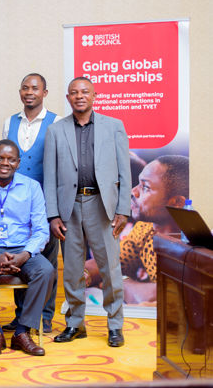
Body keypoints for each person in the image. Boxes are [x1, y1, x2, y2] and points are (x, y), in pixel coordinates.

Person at [44, 77, 131, 348]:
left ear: (94, 96)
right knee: (71, 271)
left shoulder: (113, 126)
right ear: (67, 98)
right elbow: (50, 177)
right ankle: (74, 324)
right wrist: (53, 215)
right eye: (73, 93)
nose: (79, 96)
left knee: (110, 270)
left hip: (101, 206)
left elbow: (124, 171)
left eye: (85, 92)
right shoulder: (56, 131)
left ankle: (115, 326)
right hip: (69, 208)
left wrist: (123, 209)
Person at [0, 140, 53, 357]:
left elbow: (42, 230)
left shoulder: (32, 187)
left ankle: (22, 332)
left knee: (46, 270)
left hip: (23, 247)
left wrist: (24, 255)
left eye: (11, 159)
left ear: (18, 163)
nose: (5, 163)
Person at [85, 155, 189, 304]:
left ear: (177, 202)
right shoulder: (145, 228)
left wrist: (121, 283)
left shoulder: (192, 241)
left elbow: (164, 294)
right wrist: (85, 273)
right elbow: (114, 262)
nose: (133, 192)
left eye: (145, 187)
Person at [1, 73, 59, 334]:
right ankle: (21, 315)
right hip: (14, 205)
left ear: (44, 93)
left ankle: (44, 316)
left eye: (35, 88)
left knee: (45, 260)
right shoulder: (9, 122)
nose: (29, 92)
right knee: (17, 255)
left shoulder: (57, 122)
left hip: (45, 203)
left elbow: (61, 167)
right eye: (25, 88)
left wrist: (56, 209)